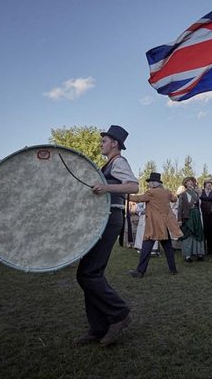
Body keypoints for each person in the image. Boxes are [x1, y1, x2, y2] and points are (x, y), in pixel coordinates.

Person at [74, 125, 138, 347]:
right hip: (103, 220)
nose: (101, 144)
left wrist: (105, 188)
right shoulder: (108, 164)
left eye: (104, 141)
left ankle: (119, 314)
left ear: (115, 144)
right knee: (89, 273)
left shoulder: (119, 162)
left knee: (88, 273)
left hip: (110, 220)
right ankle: (98, 327)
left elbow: (133, 186)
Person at [128, 172, 184, 277]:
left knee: (146, 248)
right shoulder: (166, 192)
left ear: (154, 183)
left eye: (149, 182)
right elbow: (174, 199)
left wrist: (127, 196)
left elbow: (139, 198)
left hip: (153, 226)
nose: (149, 184)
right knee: (168, 248)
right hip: (164, 225)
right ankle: (173, 269)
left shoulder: (151, 193)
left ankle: (140, 271)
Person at [178, 176, 206, 262]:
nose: (190, 183)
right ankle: (188, 256)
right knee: (188, 234)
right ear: (185, 184)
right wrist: (179, 220)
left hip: (196, 215)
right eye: (188, 182)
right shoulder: (182, 194)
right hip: (188, 216)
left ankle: (199, 253)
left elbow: (200, 205)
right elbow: (180, 208)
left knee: (198, 233)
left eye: (191, 181)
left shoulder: (197, 193)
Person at [200, 177, 212, 255]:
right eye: (207, 183)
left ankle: (210, 250)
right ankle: (202, 250)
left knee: (210, 233)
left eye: (210, 183)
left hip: (210, 215)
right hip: (202, 214)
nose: (209, 184)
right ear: (205, 185)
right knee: (203, 232)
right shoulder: (201, 192)